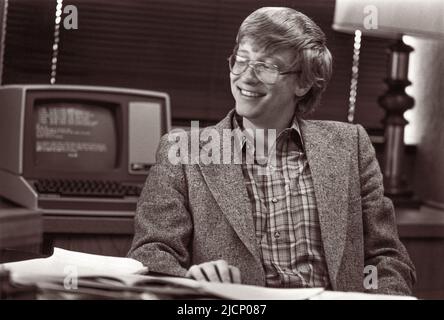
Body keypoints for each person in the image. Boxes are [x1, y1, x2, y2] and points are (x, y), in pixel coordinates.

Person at [128, 7, 416, 295]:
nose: (246, 77)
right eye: (241, 61)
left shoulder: (350, 145)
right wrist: (192, 282)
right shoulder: (183, 152)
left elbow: (387, 257)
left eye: (267, 67)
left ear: (303, 83)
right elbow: (151, 255)